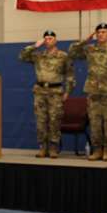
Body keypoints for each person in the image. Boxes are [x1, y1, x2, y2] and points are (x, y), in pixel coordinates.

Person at [69, 23, 107, 161]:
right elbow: (72, 52)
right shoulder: (90, 49)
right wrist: (85, 40)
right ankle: (97, 150)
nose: (101, 34)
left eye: (104, 32)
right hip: (93, 92)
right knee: (95, 122)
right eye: (99, 32)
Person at [19, 30, 74, 158]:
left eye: (51, 38)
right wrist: (34, 46)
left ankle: (53, 147)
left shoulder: (63, 56)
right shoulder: (38, 56)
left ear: (56, 40)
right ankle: (43, 147)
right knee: (41, 121)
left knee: (54, 120)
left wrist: (68, 91)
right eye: (46, 38)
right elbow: (22, 56)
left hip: (56, 92)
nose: (48, 40)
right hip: (40, 92)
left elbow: (70, 75)